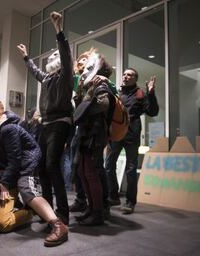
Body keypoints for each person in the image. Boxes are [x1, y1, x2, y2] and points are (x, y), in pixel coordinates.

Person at [0, 91, 68, 247]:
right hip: (11, 167)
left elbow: (15, 160)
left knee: (27, 189)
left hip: (27, 163)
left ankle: (58, 225)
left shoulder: (8, 129)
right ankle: (20, 206)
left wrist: (4, 182)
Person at [17, 11, 73, 225]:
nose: (51, 58)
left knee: (51, 165)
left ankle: (63, 213)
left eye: (54, 57)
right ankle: (47, 209)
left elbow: (66, 54)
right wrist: (25, 57)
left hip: (60, 123)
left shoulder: (66, 75)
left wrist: (58, 29)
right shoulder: (47, 78)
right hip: (46, 124)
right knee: (42, 166)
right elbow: (34, 71)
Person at [105, 68, 159, 214]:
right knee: (108, 165)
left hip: (132, 134)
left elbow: (152, 112)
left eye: (129, 75)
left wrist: (151, 93)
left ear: (135, 78)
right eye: (124, 74)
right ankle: (113, 196)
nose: (126, 76)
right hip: (116, 133)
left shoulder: (140, 94)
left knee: (130, 168)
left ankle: (130, 202)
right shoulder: (118, 93)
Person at [72, 53, 115, 225]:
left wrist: (85, 108)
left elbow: (103, 104)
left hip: (95, 135)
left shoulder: (100, 82)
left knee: (91, 172)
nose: (85, 67)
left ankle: (98, 212)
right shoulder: (88, 85)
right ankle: (91, 209)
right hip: (86, 133)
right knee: (83, 172)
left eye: (90, 64)